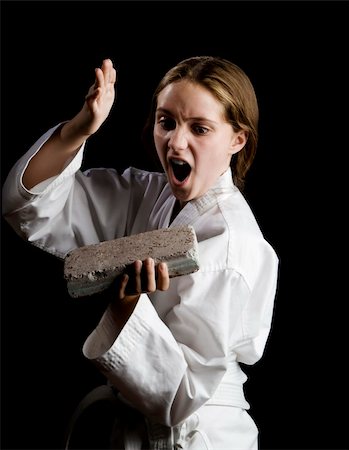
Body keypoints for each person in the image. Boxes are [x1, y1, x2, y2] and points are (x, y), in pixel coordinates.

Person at [2, 56, 279, 449]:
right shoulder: (148, 195)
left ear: (238, 139)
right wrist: (76, 132)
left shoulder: (233, 244)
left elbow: (180, 398)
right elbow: (32, 207)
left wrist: (127, 306)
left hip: (198, 437)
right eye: (166, 122)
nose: (175, 142)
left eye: (199, 128)